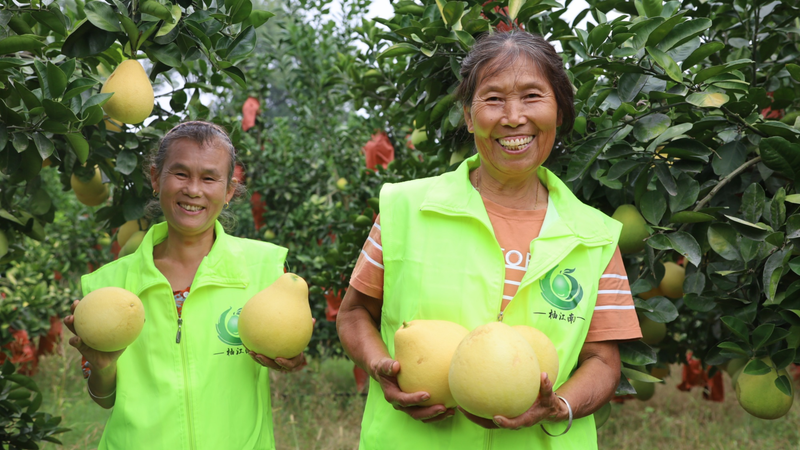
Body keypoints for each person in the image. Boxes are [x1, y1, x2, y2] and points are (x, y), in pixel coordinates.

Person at [337, 31, 642, 449]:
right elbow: (354, 315)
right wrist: (380, 367)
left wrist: (560, 405)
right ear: (467, 114)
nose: (513, 117)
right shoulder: (406, 208)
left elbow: (603, 361)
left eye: (532, 96)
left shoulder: (593, 236)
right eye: (494, 99)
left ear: (560, 110)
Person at [63, 121, 307, 450]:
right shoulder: (109, 284)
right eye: (180, 174)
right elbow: (103, 398)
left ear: (229, 190)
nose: (193, 189)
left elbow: (287, 346)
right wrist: (102, 367)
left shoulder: (265, 271)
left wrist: (292, 357)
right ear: (155, 178)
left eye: (209, 178)